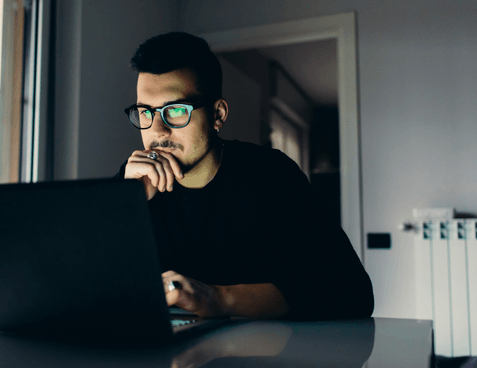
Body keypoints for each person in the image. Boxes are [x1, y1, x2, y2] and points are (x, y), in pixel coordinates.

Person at [115, 32, 374, 320]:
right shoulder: (132, 183)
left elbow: (351, 292)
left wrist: (219, 299)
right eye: (145, 112)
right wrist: (124, 205)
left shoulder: (270, 175)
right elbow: (85, 288)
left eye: (176, 110)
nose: (158, 130)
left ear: (217, 114)